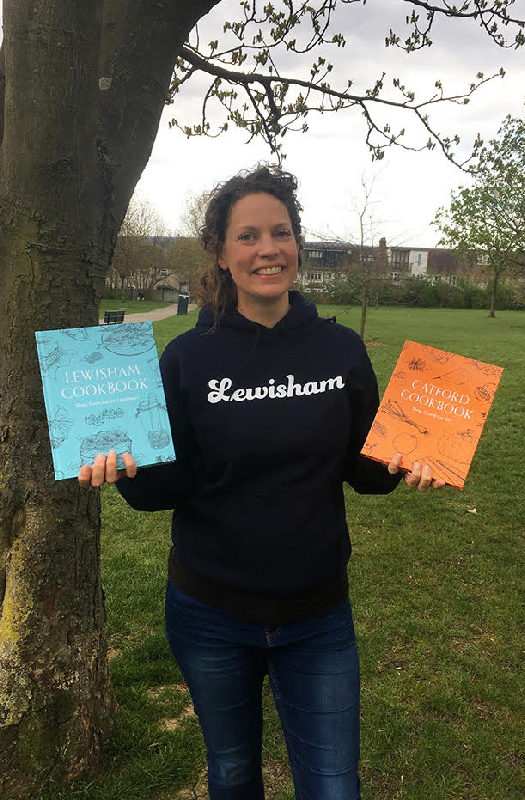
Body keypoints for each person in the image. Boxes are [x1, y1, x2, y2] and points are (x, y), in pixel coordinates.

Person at [79, 164, 447, 800]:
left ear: (297, 245)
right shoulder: (188, 358)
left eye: (280, 233)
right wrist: (124, 472)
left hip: (318, 614)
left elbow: (362, 470)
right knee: (232, 774)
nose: (267, 249)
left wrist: (403, 460)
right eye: (247, 236)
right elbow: (169, 486)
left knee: (334, 786)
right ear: (222, 255)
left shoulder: (341, 350)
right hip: (210, 612)